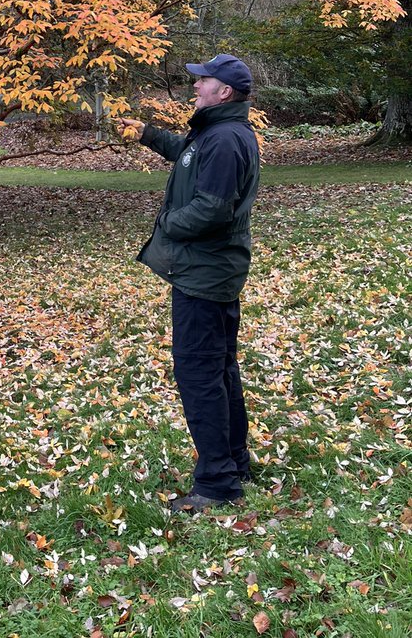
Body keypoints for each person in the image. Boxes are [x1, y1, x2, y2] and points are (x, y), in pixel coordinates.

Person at [116, 54, 260, 514]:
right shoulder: (215, 133)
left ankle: (218, 483)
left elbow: (213, 208)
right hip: (210, 270)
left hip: (204, 272)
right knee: (219, 368)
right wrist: (148, 135)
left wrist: (168, 224)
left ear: (225, 92)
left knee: (199, 373)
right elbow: (187, 155)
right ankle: (235, 461)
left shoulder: (225, 139)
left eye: (204, 81)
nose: (195, 85)